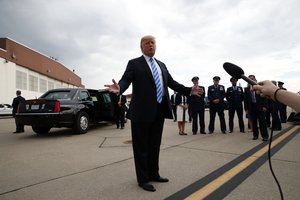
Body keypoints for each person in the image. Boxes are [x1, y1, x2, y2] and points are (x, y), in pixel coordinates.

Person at [104, 35, 202, 192]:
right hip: (141, 112)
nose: (151, 45)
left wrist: (189, 90)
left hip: (159, 110)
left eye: (153, 43)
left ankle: (154, 173)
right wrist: (119, 89)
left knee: (154, 145)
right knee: (141, 147)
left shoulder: (161, 65)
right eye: (147, 43)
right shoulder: (134, 63)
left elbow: (172, 83)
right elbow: (125, 80)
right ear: (141, 47)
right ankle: (143, 179)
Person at [244, 75, 269, 141]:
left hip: (260, 107)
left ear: (255, 79)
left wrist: (265, 106)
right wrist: (246, 109)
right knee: (254, 123)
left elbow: (265, 97)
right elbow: (246, 100)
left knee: (262, 123)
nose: (251, 80)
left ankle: (265, 136)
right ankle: (255, 135)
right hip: (251, 108)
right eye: (249, 79)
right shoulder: (246, 89)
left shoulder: (260, 87)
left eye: (252, 79)